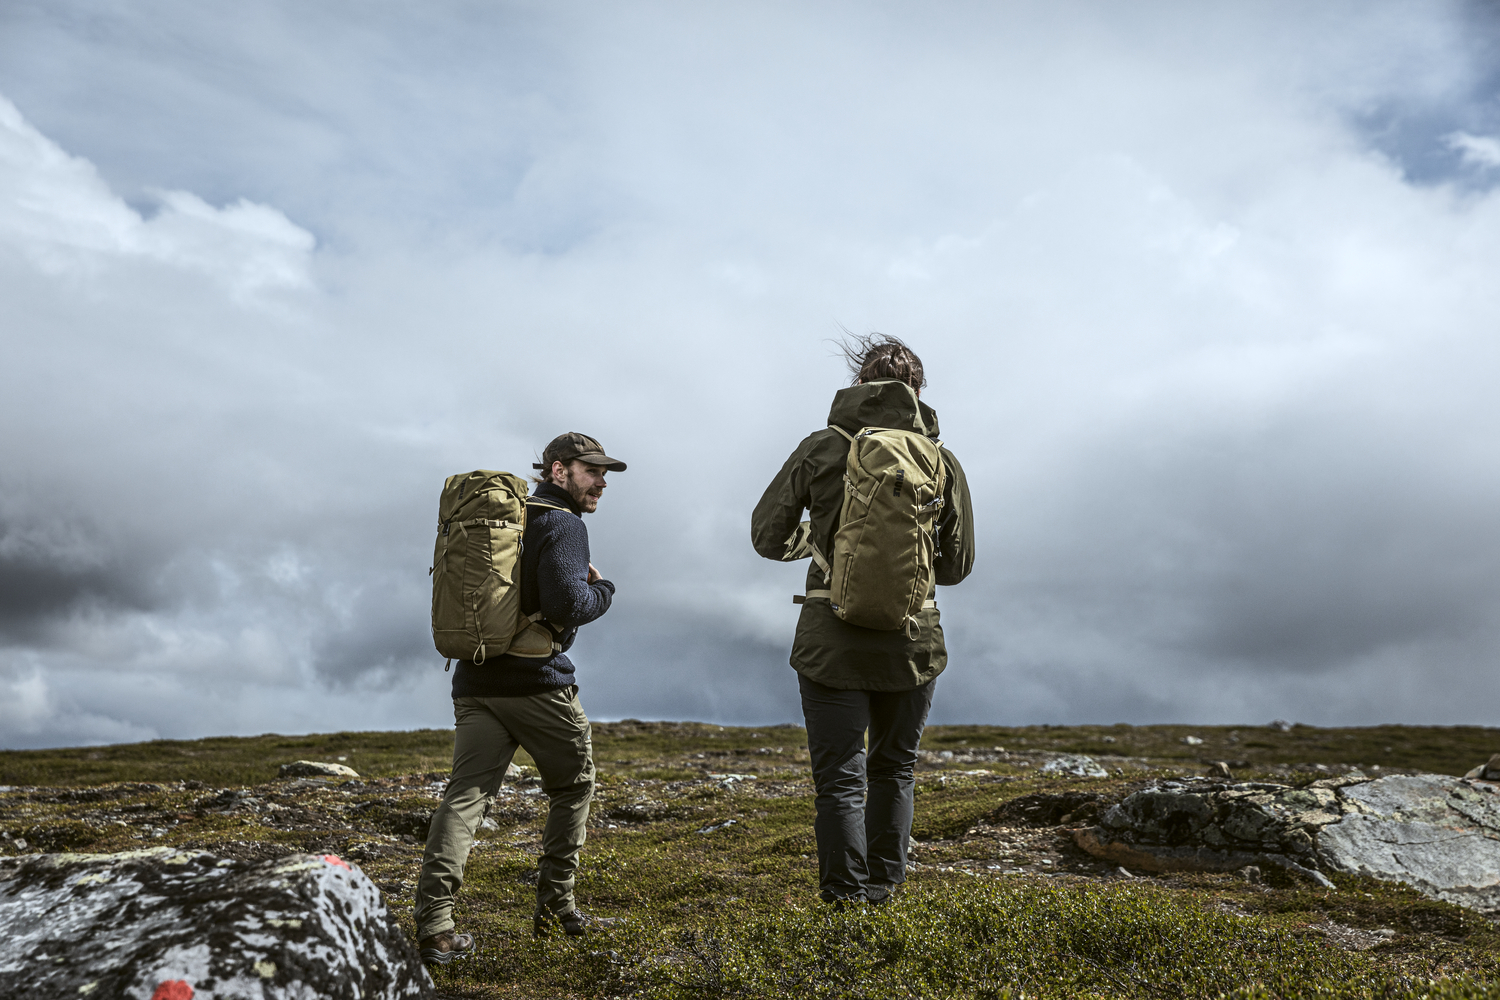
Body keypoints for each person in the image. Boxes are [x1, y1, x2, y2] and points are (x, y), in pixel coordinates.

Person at [751, 336, 974, 906]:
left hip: (831, 640)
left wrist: (823, 549)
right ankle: (886, 891)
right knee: (894, 769)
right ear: (917, 391)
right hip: (912, 641)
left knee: (840, 779)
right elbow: (956, 567)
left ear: (858, 384)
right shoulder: (941, 461)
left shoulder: (822, 446)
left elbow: (764, 537)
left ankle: (844, 901)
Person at [416, 432, 625, 963]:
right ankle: (557, 908)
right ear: (559, 471)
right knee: (574, 786)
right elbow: (566, 600)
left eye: (605, 473)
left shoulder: (505, 522)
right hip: (537, 685)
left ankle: (436, 927)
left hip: (477, 680)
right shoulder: (562, 523)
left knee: (465, 798)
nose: (601, 481)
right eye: (591, 471)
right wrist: (604, 591)